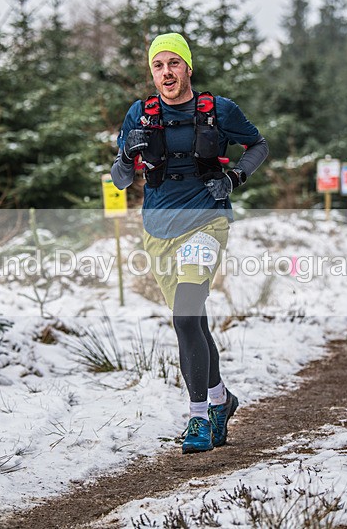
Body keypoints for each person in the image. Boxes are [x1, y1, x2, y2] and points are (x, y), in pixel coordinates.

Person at [110, 32, 269, 454]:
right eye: (158, 65)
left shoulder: (218, 110)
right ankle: (221, 400)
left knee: (184, 318)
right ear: (152, 72)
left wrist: (235, 177)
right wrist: (127, 153)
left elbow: (258, 144)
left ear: (188, 67)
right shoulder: (139, 115)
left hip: (207, 223)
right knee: (193, 321)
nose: (167, 72)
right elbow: (121, 180)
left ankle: (198, 417)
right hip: (158, 231)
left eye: (174, 64)